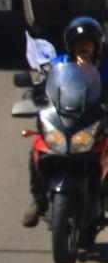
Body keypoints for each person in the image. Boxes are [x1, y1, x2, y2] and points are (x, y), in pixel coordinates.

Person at [23, 17, 104, 227]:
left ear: (96, 46)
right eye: (79, 43)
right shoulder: (59, 64)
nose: (83, 47)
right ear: (71, 45)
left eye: (88, 43)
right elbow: (44, 85)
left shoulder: (105, 68)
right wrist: (33, 95)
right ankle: (39, 201)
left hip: (95, 123)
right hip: (65, 122)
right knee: (37, 151)